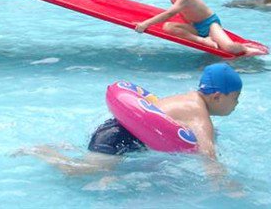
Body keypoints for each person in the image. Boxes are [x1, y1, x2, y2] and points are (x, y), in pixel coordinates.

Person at [13, 63, 245, 188]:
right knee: (80, 172)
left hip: (115, 130)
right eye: (235, 98)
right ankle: (43, 151)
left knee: (98, 167)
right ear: (217, 97)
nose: (236, 104)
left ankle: (66, 146)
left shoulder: (188, 98)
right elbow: (207, 153)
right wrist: (222, 181)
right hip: (117, 139)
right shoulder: (198, 114)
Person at [134, 0, 263, 56]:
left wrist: (145, 24)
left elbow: (169, 14)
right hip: (196, 27)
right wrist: (188, 30)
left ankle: (246, 48)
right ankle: (204, 41)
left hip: (210, 25)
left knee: (229, 48)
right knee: (168, 27)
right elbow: (184, 17)